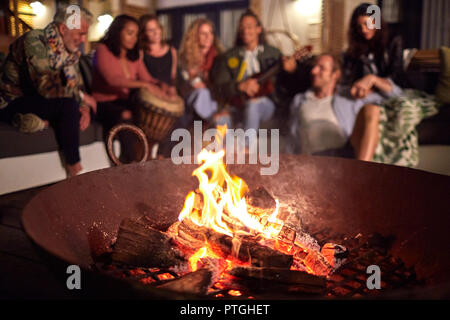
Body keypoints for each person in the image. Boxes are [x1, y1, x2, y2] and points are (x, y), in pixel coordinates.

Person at [0, 5, 94, 177]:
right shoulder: (35, 40)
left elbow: (75, 87)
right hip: (11, 101)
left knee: (82, 109)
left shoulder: (69, 53)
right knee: (68, 107)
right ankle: (76, 170)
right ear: (63, 28)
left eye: (85, 34)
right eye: (80, 33)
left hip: (40, 101)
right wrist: (79, 100)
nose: (83, 40)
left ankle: (32, 122)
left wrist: (85, 108)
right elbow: (46, 88)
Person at [289, 54, 402, 161]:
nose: (313, 71)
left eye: (321, 68)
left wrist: (373, 79)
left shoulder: (350, 96)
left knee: (372, 110)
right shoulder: (299, 100)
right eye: (314, 67)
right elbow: (293, 137)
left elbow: (397, 97)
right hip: (313, 158)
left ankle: (362, 170)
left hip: (344, 154)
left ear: (335, 74)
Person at [92, 14, 168, 162]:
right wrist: (144, 85)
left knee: (154, 114)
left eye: (136, 34)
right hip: (105, 104)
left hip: (126, 101)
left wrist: (161, 85)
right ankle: (130, 162)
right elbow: (112, 80)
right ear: (117, 32)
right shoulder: (102, 50)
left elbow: (147, 79)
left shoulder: (135, 55)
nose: (133, 38)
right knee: (126, 115)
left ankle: (154, 156)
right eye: (129, 33)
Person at [212, 9, 290, 135]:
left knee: (253, 104)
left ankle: (247, 149)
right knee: (220, 119)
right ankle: (228, 153)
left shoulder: (274, 54)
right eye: (242, 27)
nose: (245, 31)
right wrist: (239, 86)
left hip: (265, 105)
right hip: (237, 104)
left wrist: (291, 69)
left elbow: (286, 83)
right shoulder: (228, 56)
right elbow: (220, 88)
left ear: (259, 29)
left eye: (249, 27)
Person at [342, 2, 404, 100]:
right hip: (364, 93)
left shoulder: (393, 40)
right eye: (359, 26)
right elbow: (349, 77)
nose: (363, 30)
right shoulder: (356, 46)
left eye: (367, 24)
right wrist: (355, 88)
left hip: (388, 89)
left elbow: (396, 76)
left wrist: (373, 84)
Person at [177, 17, 225, 125]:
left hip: (215, 100)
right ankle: (214, 120)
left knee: (206, 94)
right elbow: (181, 87)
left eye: (210, 33)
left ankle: (216, 121)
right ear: (195, 36)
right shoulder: (185, 58)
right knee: (202, 93)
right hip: (191, 100)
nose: (208, 37)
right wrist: (192, 83)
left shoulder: (220, 57)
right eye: (203, 33)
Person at [139, 14, 177, 97]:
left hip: (168, 94)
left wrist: (172, 87)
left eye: (157, 28)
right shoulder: (141, 53)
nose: (156, 32)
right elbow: (141, 77)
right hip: (150, 93)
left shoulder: (172, 50)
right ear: (143, 33)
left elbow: (173, 76)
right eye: (150, 30)